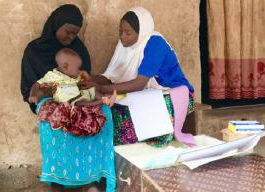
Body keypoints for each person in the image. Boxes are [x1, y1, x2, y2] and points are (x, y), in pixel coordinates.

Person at [20, 4, 115, 192]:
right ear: (56, 25)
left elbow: (83, 80)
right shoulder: (34, 51)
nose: (71, 38)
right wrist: (43, 96)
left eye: (75, 34)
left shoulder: (77, 49)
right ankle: (57, 190)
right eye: (68, 32)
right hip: (50, 102)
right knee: (55, 118)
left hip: (77, 98)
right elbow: (30, 87)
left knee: (104, 112)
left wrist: (87, 94)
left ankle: (90, 184)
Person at [79, 7, 195, 146]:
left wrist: (101, 88)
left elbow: (139, 83)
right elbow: (113, 76)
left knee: (129, 108)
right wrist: (90, 79)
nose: (122, 36)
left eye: (128, 33)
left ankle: (147, 142)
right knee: (114, 102)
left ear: (142, 32)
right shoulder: (125, 45)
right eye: (120, 31)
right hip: (145, 92)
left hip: (174, 93)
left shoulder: (155, 44)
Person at [29, 47, 116, 136]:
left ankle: (105, 99)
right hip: (69, 103)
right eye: (77, 68)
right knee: (81, 103)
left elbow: (83, 83)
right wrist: (33, 94)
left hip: (80, 95)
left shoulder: (72, 75)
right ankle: (101, 102)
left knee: (91, 90)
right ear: (66, 67)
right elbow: (36, 84)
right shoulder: (52, 76)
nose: (79, 71)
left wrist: (85, 79)